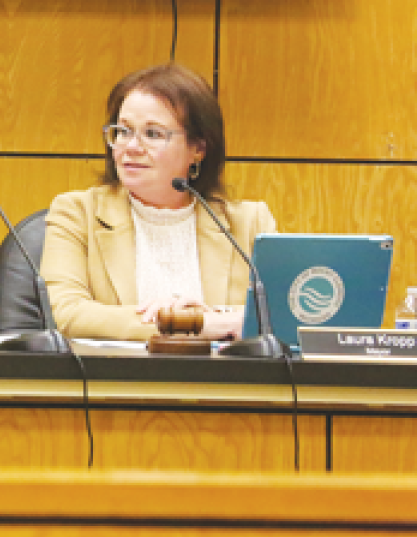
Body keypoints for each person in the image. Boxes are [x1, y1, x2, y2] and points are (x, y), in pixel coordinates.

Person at [41, 63, 276, 341]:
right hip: (116, 381)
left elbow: (278, 313)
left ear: (198, 149)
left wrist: (209, 318)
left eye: (152, 134)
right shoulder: (77, 213)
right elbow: (67, 313)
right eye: (123, 131)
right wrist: (183, 324)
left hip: (224, 382)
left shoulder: (248, 223)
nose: (130, 147)